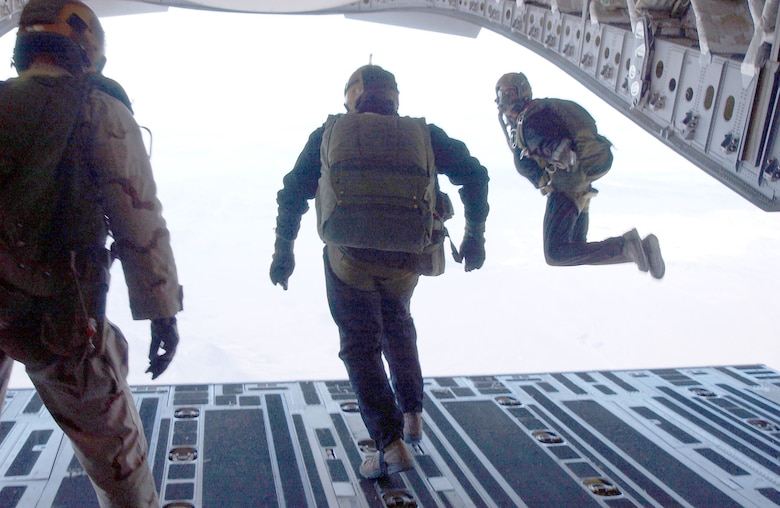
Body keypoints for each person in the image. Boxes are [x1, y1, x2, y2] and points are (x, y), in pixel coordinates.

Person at [0, 1, 183, 506]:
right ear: (88, 51)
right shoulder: (98, 108)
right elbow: (139, 223)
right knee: (115, 454)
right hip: (55, 312)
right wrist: (163, 313)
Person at [270, 64, 489, 479]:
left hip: (348, 262)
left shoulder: (329, 133)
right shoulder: (424, 135)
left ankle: (389, 445)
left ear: (351, 98)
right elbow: (476, 176)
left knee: (360, 346)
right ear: (394, 98)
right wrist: (474, 235)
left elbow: (292, 193)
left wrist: (284, 250)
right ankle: (412, 414)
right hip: (406, 260)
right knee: (398, 323)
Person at [495, 72, 665, 278]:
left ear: (523, 93)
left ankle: (626, 245)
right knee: (575, 248)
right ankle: (641, 249)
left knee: (555, 253)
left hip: (565, 187)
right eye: (502, 94)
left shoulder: (530, 120)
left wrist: (556, 150)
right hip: (578, 187)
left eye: (509, 93)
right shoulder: (534, 117)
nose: (504, 100)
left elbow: (542, 140)